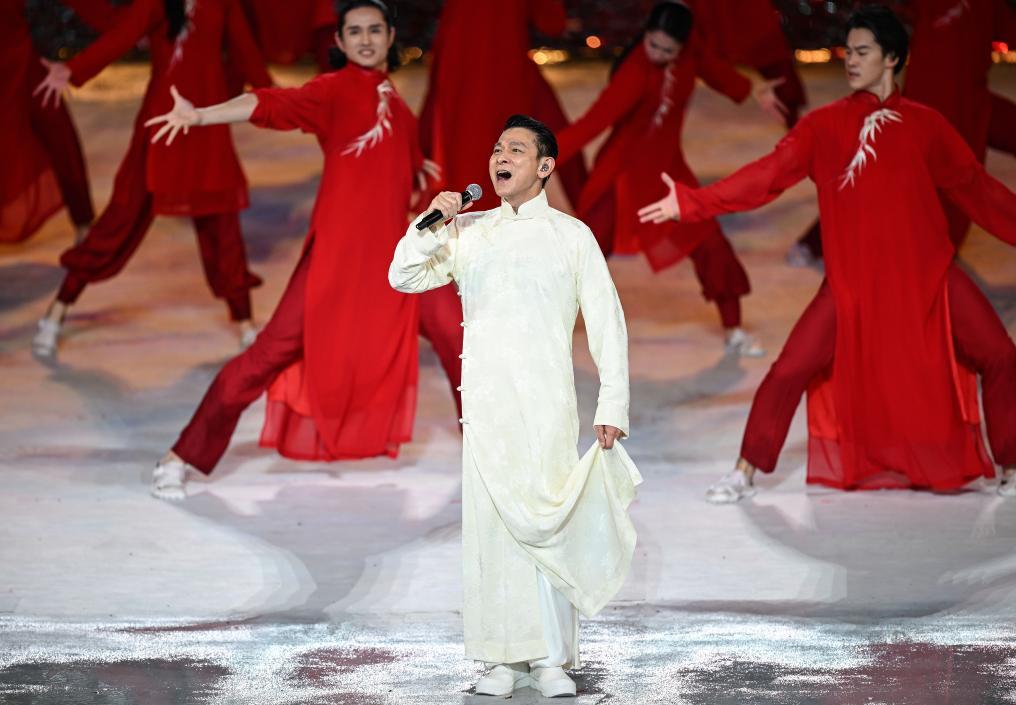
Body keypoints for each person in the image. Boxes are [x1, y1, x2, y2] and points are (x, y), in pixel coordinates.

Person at [638, 5, 1016, 502]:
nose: (851, 61)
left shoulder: (927, 126)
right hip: (851, 283)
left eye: (863, 52)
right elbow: (767, 176)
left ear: (892, 58)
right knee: (791, 368)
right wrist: (692, 202)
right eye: (848, 52)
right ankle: (745, 470)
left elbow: (979, 191)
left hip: (929, 276)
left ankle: (1011, 465)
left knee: (999, 353)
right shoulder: (825, 126)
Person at [389, 115, 641, 698]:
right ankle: (500, 658)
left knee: (545, 526)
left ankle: (551, 660)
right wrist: (431, 222)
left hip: (546, 404)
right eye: (497, 148)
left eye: (517, 150)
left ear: (545, 166)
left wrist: (612, 403)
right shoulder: (470, 231)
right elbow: (403, 276)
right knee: (493, 531)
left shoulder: (570, 236)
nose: (501, 157)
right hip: (485, 409)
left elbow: (607, 320)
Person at [144, 0, 429, 500]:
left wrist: (420, 172)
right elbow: (268, 104)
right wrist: (201, 115)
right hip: (335, 263)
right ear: (339, 42)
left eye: (374, 30)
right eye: (354, 32)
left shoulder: (399, 107)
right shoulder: (333, 90)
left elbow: (394, 173)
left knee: (459, 335)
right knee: (266, 355)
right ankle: (181, 456)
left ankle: (492, 463)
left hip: (395, 266)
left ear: (390, 36)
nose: (365, 40)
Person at [31, 0, 270, 356]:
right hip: (160, 126)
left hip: (206, 126)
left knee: (223, 228)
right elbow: (119, 38)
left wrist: (282, 104)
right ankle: (58, 309)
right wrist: (73, 69)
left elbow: (246, 51)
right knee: (120, 218)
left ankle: (246, 323)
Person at [556, 1, 787, 357]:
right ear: (645, 34)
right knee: (579, 255)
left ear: (682, 46)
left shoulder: (691, 50)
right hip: (621, 178)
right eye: (653, 45)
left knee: (712, 247)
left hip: (668, 176)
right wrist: (539, 155)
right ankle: (540, 329)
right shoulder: (634, 72)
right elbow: (591, 124)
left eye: (668, 50)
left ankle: (734, 329)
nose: (659, 55)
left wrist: (751, 87)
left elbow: (718, 72)